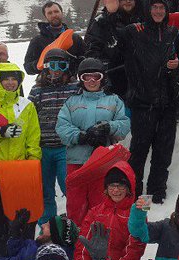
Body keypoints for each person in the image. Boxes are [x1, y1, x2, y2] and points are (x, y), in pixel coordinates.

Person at [118, 0, 179, 202]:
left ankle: (157, 193)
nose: (158, 11)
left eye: (161, 8)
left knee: (163, 152)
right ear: (147, 9)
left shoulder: (174, 34)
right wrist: (112, 13)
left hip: (167, 104)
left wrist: (177, 66)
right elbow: (115, 48)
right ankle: (135, 192)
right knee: (138, 152)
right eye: (154, 7)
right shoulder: (134, 31)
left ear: (166, 11)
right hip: (142, 103)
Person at [56, 57, 131, 225]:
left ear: (102, 78)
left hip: (102, 162)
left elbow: (124, 124)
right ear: (80, 79)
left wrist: (107, 127)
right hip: (77, 161)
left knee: (100, 202)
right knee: (76, 204)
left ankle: (100, 239)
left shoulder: (113, 100)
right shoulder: (72, 101)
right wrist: (81, 136)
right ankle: (77, 240)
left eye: (95, 77)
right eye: (86, 77)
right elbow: (62, 127)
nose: (91, 81)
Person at [0, 63, 42, 255]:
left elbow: (33, 137)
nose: (10, 83)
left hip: (21, 173)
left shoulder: (27, 106)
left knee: (24, 220)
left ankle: (24, 258)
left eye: (13, 79)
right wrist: (0, 132)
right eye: (5, 79)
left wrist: (33, 164)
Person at [28, 48, 77, 223]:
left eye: (61, 65)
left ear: (67, 67)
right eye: (52, 65)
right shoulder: (37, 90)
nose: (56, 70)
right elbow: (29, 117)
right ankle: (46, 225)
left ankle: (73, 223)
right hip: (43, 147)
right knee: (44, 189)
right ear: (46, 67)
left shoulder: (74, 88)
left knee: (69, 186)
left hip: (65, 148)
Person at [74, 163, 144, 260]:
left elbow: (134, 252)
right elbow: (82, 248)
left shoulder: (136, 214)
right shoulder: (95, 212)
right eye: (112, 185)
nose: (116, 190)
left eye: (121, 185)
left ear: (128, 188)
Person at [85, 0, 144, 100]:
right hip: (112, 73)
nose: (128, 1)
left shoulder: (141, 21)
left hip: (136, 76)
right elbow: (92, 46)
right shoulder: (102, 21)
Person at [24, 2, 72, 76]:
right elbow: (28, 68)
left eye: (56, 11)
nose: (54, 15)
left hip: (71, 82)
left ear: (61, 13)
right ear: (45, 16)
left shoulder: (73, 37)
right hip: (46, 83)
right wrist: (43, 62)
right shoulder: (37, 41)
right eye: (49, 13)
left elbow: (85, 59)